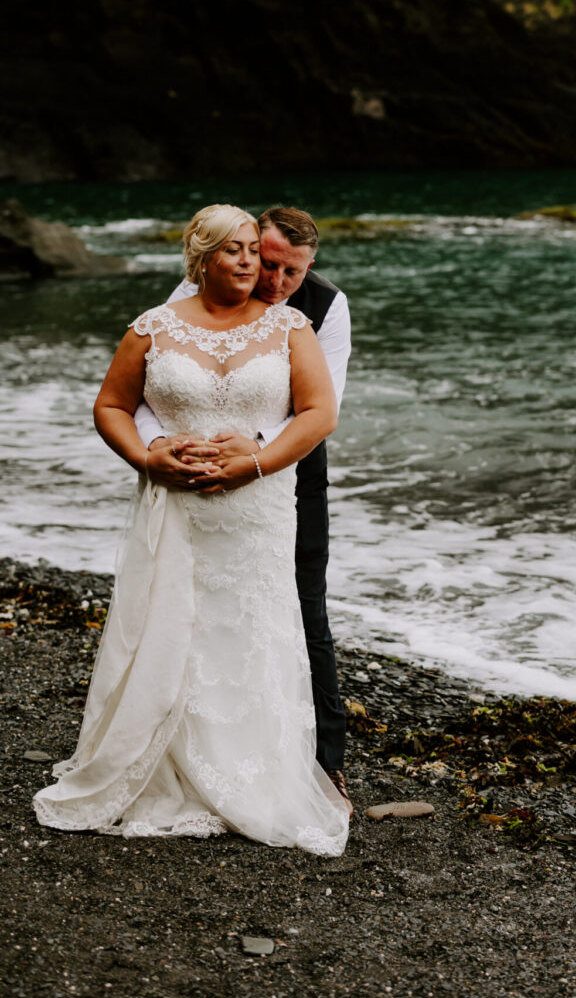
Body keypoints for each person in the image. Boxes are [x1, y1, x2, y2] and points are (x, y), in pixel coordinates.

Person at [33, 204, 350, 855]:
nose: (253, 264)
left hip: (261, 503)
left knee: (259, 623)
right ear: (201, 257)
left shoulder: (299, 323)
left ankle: (274, 769)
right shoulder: (155, 325)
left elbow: (320, 412)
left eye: (253, 253)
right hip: (176, 504)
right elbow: (115, 404)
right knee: (172, 620)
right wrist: (150, 455)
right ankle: (156, 759)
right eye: (235, 250)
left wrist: (254, 459)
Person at [137, 207, 352, 812]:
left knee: (302, 603)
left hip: (291, 472)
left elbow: (320, 403)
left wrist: (255, 451)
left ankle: (324, 763)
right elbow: (155, 381)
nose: (276, 280)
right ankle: (182, 744)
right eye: (270, 262)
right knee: (187, 602)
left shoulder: (326, 308)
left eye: (293, 271)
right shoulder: (198, 288)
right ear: (252, 245)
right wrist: (158, 444)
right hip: (193, 471)